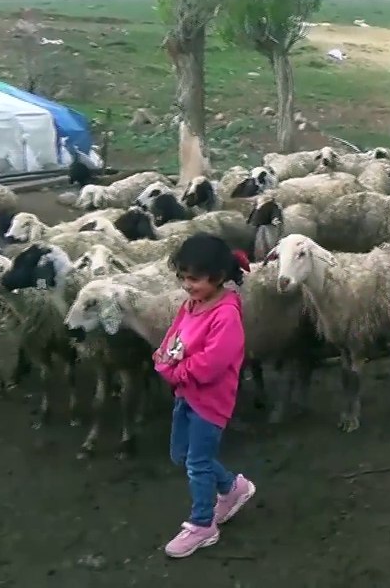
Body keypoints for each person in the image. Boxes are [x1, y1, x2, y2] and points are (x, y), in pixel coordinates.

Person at [154, 233, 256, 558]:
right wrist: (163, 352)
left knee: (196, 463)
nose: (187, 284)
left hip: (210, 400)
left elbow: (212, 364)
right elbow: (176, 333)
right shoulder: (193, 304)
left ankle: (202, 525)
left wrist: (174, 371)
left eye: (194, 278)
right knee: (183, 455)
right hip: (187, 393)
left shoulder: (226, 315)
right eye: (183, 277)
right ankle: (231, 487)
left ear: (218, 276)